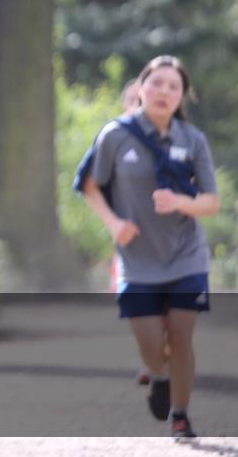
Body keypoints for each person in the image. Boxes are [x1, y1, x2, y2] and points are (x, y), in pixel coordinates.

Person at [75, 56, 220, 441]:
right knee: (151, 344)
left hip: (187, 255)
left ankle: (181, 415)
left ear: (182, 96)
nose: (163, 91)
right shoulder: (115, 135)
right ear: (141, 88)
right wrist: (114, 224)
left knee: (182, 337)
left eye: (173, 86)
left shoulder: (193, 139)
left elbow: (211, 201)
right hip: (137, 260)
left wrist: (181, 202)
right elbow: (89, 185)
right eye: (156, 83)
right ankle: (159, 375)